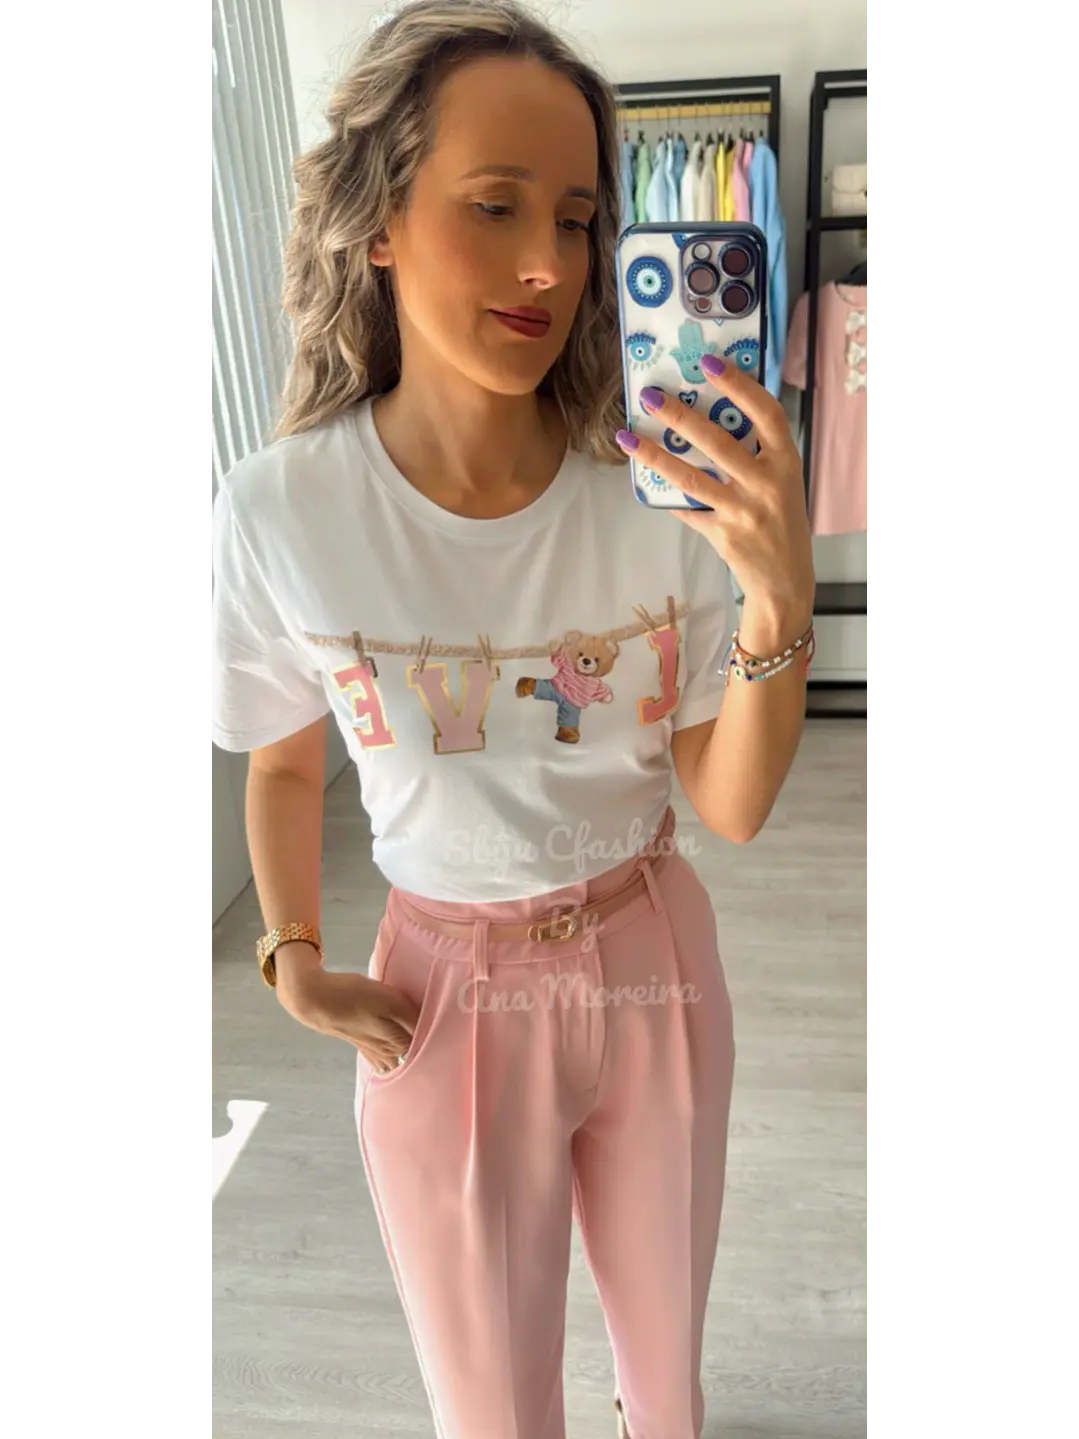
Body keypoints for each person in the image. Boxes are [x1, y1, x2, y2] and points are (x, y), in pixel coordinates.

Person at [208, 2, 815, 1436]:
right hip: (444, 993)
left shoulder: (657, 488)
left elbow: (727, 805)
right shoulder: (284, 510)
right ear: (377, 221)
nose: (550, 262)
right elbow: (284, 760)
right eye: (495, 206)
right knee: (491, 1407)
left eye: (580, 218)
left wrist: (775, 593)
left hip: (653, 958)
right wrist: (292, 954)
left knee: (665, 1387)